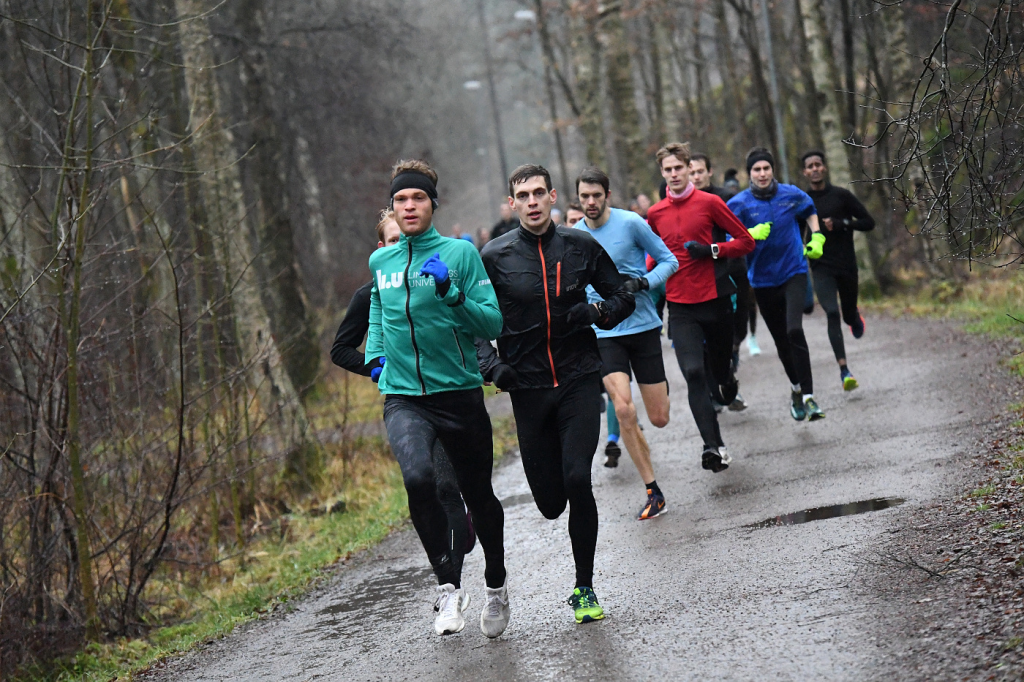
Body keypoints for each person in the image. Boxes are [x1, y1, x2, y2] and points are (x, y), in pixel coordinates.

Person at [476, 164, 635, 625]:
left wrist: (598, 311)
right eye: (522, 195)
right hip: (526, 388)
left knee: (577, 479)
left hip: (579, 379)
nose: (531, 201)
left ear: (552, 197)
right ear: (512, 203)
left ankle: (584, 587)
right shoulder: (494, 256)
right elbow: (471, 324)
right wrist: (492, 365)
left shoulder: (580, 245)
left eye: (538, 193)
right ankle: (561, 517)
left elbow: (623, 292)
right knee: (549, 502)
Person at [366, 159, 509, 638]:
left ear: (432, 204)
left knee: (479, 496)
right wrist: (376, 356)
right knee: (418, 477)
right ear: (394, 207)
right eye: (401, 200)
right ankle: (448, 589)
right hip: (404, 396)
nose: (409, 207)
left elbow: (492, 324)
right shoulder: (381, 261)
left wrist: (451, 293)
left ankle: (495, 584)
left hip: (459, 394)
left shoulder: (461, 254)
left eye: (418, 198)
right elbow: (378, 314)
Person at [331, 210, 475, 577]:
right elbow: (340, 349)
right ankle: (451, 585)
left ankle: (462, 549)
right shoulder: (370, 293)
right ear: (382, 248)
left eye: (406, 239)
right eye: (394, 241)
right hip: (406, 401)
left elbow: (470, 326)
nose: (403, 246)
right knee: (425, 482)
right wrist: (375, 366)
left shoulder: (436, 281)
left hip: (449, 393)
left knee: (449, 487)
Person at [575, 167, 678, 519]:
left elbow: (670, 260)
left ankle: (646, 418)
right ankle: (653, 490)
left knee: (659, 417)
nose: (590, 202)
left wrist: (645, 283)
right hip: (604, 334)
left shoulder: (631, 223)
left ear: (607, 195)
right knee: (622, 409)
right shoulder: (572, 237)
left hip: (643, 326)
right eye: (584, 196)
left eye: (596, 196)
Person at [647, 142, 755, 472]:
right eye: (668, 170)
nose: (674, 174)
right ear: (663, 174)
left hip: (715, 300)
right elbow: (652, 255)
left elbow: (745, 242)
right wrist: (647, 279)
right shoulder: (655, 213)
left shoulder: (709, 202)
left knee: (720, 374)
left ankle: (728, 383)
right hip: (681, 307)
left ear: (687, 168)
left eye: (679, 168)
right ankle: (713, 446)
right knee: (694, 373)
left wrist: (711, 250)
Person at [727, 147, 827, 422]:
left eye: (766, 169)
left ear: (773, 170)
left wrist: (817, 237)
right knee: (782, 341)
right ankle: (795, 389)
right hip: (761, 281)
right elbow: (727, 238)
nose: (762, 174)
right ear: (750, 174)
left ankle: (809, 396)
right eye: (757, 170)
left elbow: (810, 210)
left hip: (794, 270)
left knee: (794, 330)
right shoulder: (739, 204)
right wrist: (748, 233)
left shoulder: (790, 194)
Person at [801, 150, 874, 391]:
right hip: (821, 267)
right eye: (809, 166)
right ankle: (844, 370)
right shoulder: (803, 201)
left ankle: (853, 317)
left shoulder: (841, 196)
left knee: (847, 313)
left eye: (818, 164)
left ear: (824, 168)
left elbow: (868, 222)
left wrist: (843, 223)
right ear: (804, 172)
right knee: (831, 312)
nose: (814, 169)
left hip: (846, 264)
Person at [690, 152, 754, 410]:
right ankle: (715, 390)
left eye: (699, 171)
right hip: (703, 278)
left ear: (709, 171)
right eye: (691, 172)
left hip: (733, 272)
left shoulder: (725, 198)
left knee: (735, 334)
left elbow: (743, 232)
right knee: (706, 339)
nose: (696, 177)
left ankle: (727, 380)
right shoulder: (683, 203)